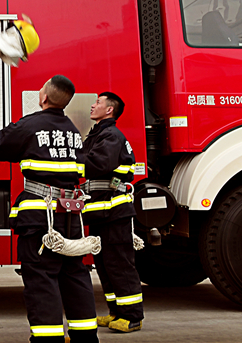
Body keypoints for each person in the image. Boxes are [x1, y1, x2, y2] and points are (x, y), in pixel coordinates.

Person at [0, 75, 99, 343]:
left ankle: (47, 339)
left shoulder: (32, 125)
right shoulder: (73, 132)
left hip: (40, 218)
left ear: (43, 98)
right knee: (75, 275)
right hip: (70, 216)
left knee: (41, 279)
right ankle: (86, 337)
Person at [80, 92, 143, 333]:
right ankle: (116, 311)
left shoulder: (111, 135)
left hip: (115, 213)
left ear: (109, 110)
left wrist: (67, 163)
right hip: (101, 212)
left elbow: (97, 164)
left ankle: (132, 317)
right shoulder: (99, 133)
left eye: (98, 102)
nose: (93, 105)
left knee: (120, 264)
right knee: (105, 264)